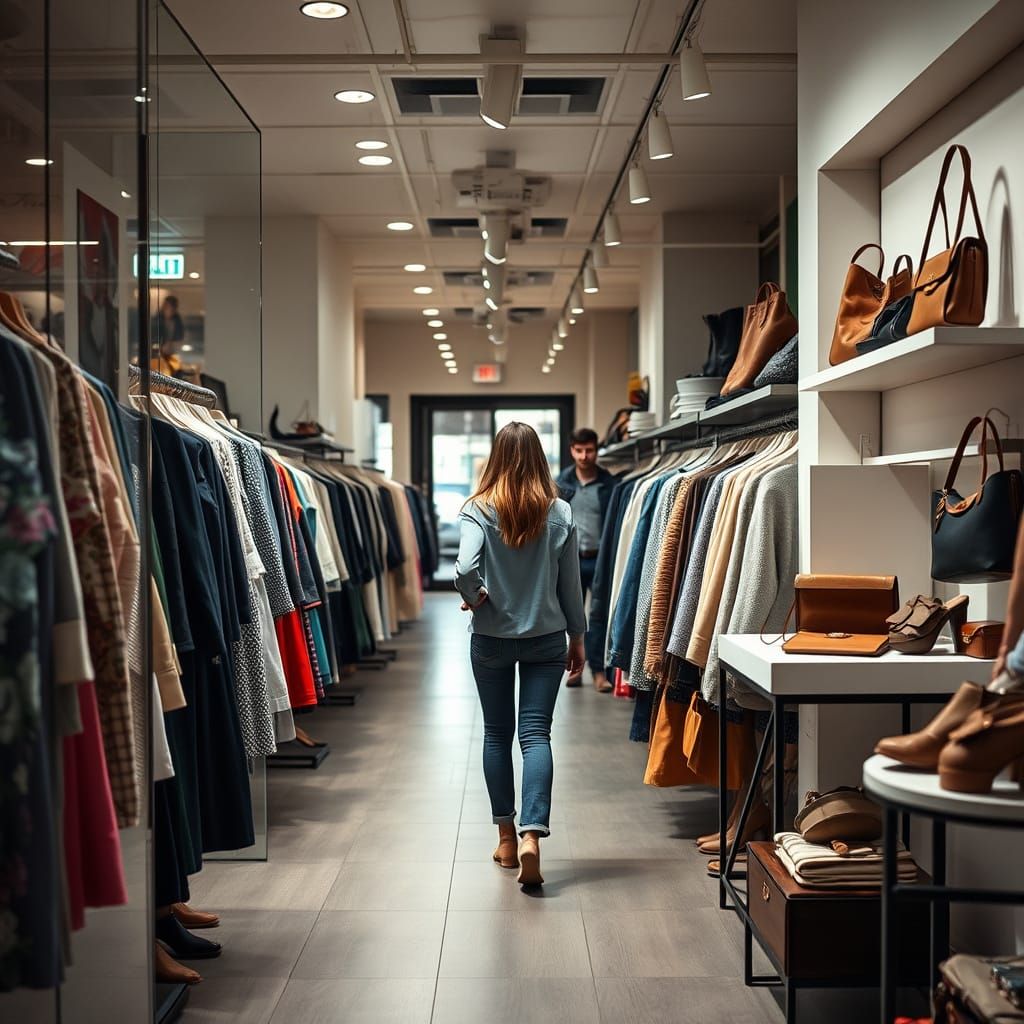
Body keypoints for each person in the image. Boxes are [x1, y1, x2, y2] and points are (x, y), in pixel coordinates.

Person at [455, 422, 586, 887]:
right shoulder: (560, 512)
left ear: (495, 457)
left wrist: (475, 596)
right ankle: (534, 833)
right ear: (539, 458)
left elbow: (465, 567)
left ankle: (507, 839)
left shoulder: (477, 509)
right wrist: (578, 636)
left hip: (490, 638)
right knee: (536, 735)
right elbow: (571, 585)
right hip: (546, 639)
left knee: (496, 735)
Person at [556, 426, 616, 691]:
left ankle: (599, 672)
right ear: (571, 451)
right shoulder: (561, 484)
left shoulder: (610, 484)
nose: (583, 456)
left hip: (600, 559)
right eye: (578, 451)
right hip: (571, 560)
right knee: (573, 616)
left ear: (596, 451)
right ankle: (575, 670)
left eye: (589, 450)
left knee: (600, 614)